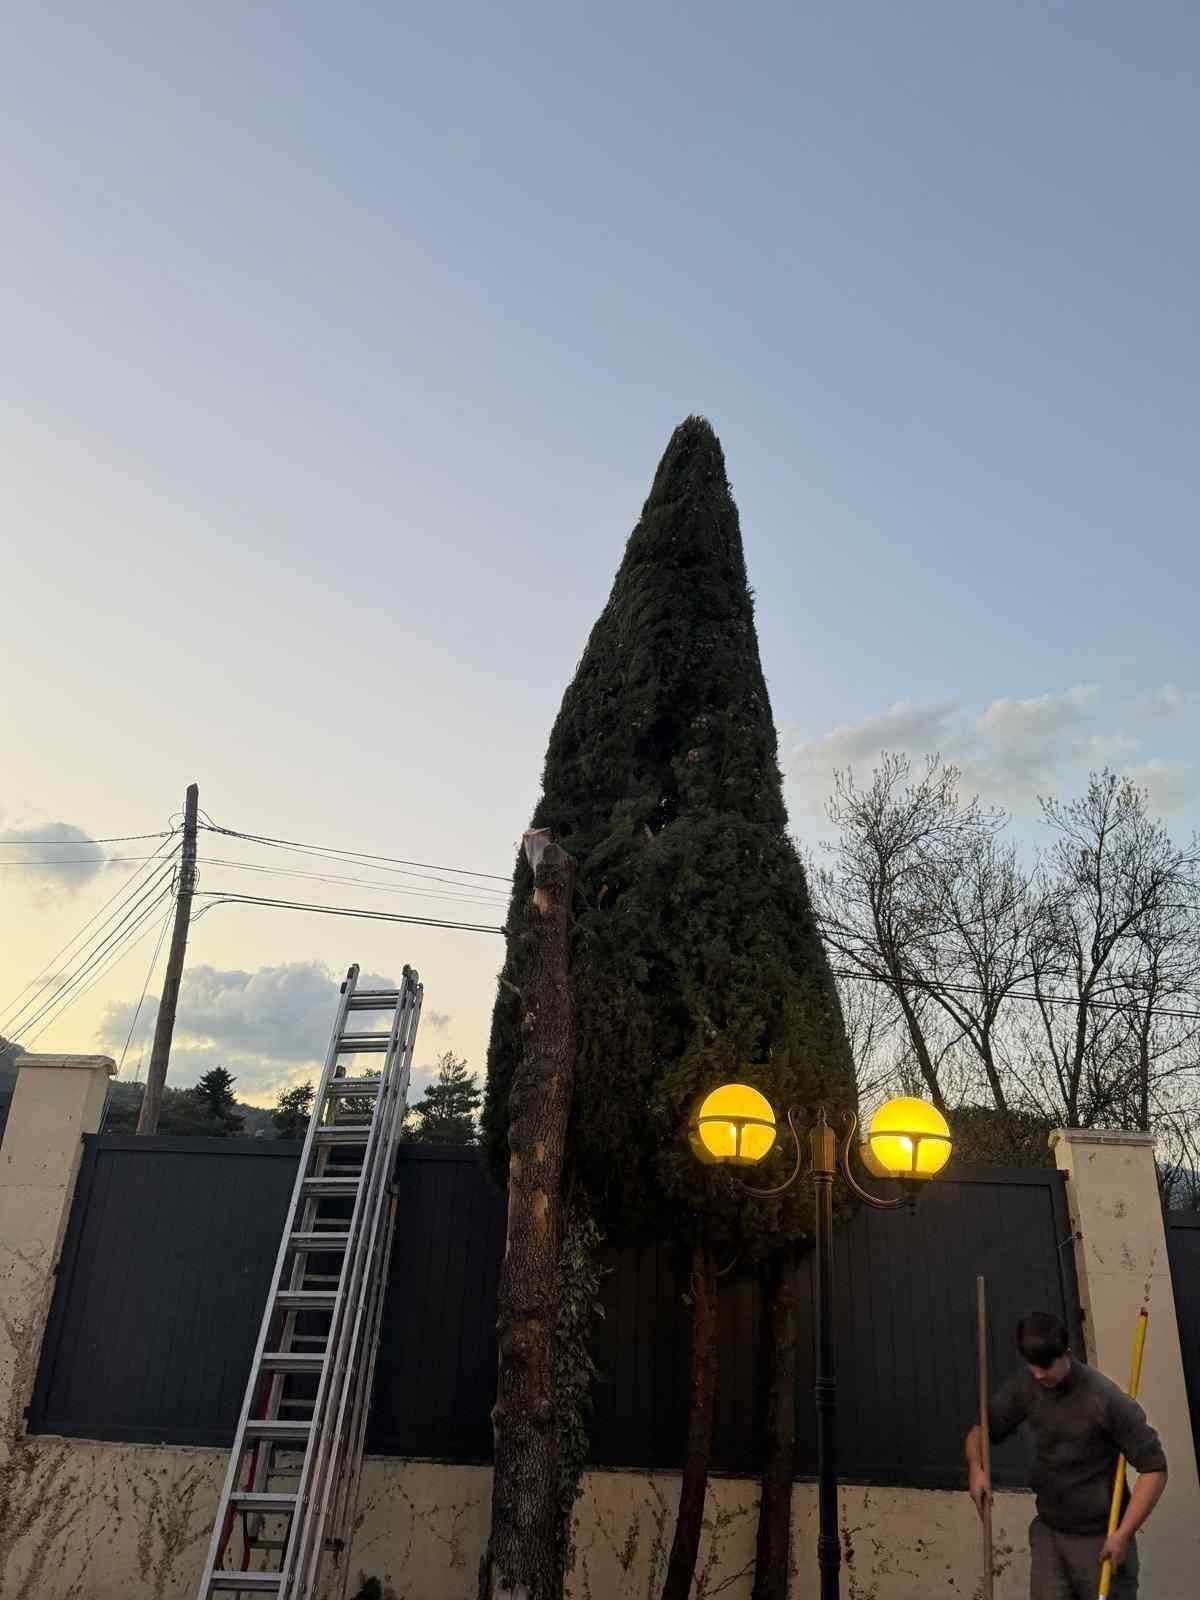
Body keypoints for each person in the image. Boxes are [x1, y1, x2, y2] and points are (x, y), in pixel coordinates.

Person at [965, 1311, 1167, 1599]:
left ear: (1067, 1354)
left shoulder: (1104, 1399)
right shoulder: (1027, 1386)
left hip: (1100, 1538)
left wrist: (1123, 1533)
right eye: (1032, 1364)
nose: (1038, 1373)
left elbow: (1154, 1469)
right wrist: (976, 1467)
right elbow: (980, 1430)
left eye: (1046, 1365)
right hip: (1049, 1534)